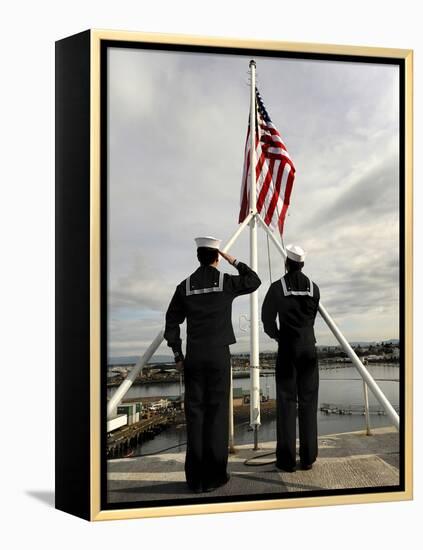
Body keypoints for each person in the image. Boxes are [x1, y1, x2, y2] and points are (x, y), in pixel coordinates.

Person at [164, 236, 261, 493]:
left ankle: (195, 479)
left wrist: (177, 355)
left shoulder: (184, 286)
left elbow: (171, 322)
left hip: (194, 356)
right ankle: (215, 476)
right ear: (217, 258)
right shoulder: (226, 282)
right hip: (218, 356)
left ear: (198, 257)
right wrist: (234, 259)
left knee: (195, 415)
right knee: (217, 415)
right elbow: (254, 281)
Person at [261, 244, 320, 472]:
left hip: (287, 349)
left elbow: (267, 320)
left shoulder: (277, 288)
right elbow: (312, 318)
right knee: (309, 403)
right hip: (309, 350)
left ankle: (286, 460)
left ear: (287, 263)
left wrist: (279, 337)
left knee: (286, 403)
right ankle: (308, 458)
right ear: (302, 264)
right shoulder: (314, 288)